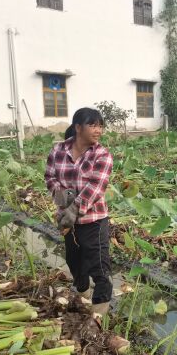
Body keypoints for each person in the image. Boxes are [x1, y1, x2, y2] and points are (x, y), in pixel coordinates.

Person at [45, 108, 114, 317]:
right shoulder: (57, 151)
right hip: (68, 222)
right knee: (74, 262)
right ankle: (83, 296)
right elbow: (49, 177)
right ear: (78, 127)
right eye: (93, 125)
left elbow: (96, 187)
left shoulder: (102, 155)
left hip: (94, 221)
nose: (98, 130)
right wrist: (62, 196)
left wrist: (74, 207)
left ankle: (99, 314)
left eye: (100, 125)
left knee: (100, 268)